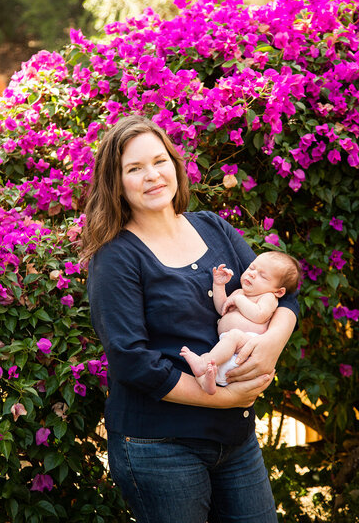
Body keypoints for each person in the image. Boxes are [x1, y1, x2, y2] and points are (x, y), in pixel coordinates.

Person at [82, 115, 299, 523]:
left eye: (159, 161)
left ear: (175, 165)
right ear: (117, 182)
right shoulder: (115, 256)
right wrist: (227, 397)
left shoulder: (211, 226)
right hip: (160, 446)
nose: (152, 175)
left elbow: (284, 293)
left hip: (235, 440)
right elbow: (131, 359)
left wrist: (271, 345)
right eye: (134, 168)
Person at [180, 252, 302, 394]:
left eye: (263, 276)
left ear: (279, 292)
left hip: (247, 347)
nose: (252, 274)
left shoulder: (268, 297)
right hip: (229, 349)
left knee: (233, 337)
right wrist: (219, 285)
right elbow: (222, 308)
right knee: (207, 367)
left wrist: (239, 300)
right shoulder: (240, 292)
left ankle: (203, 362)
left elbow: (259, 315)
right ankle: (208, 383)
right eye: (251, 268)